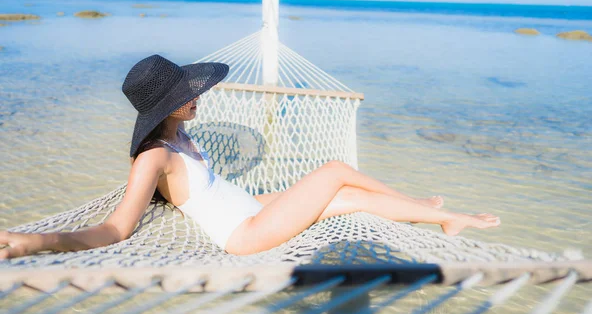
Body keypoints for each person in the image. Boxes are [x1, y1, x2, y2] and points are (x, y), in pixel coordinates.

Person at [0, 55, 500, 259]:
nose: (197, 97)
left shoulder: (182, 139)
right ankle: (445, 216)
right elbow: (115, 230)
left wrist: (265, 196)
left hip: (256, 209)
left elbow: (213, 194)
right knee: (335, 170)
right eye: (186, 93)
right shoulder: (152, 158)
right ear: (166, 105)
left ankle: (435, 216)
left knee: (350, 195)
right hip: (247, 235)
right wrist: (33, 242)